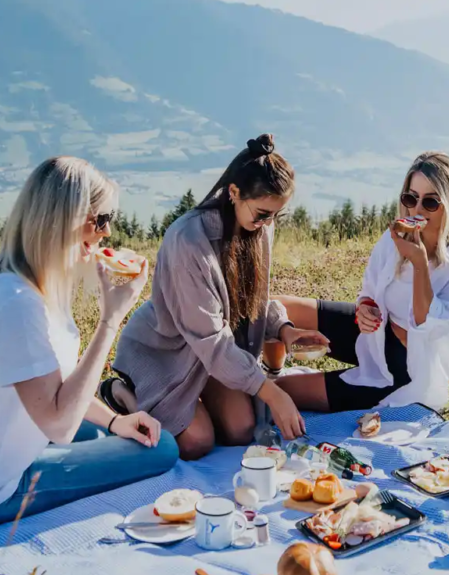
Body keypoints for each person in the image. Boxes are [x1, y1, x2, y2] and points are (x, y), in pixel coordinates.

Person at [0, 156, 177, 525]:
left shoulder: (20, 282)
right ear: (67, 219)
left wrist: (113, 422)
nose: (106, 233)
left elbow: (55, 385)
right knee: (163, 449)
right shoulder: (19, 305)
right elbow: (59, 426)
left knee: (125, 433)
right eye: (101, 219)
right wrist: (110, 320)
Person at [102, 134, 329, 460]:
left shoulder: (259, 228)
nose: (267, 224)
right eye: (263, 213)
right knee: (197, 442)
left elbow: (252, 302)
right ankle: (123, 393)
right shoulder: (187, 240)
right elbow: (209, 338)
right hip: (170, 352)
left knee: (240, 430)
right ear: (234, 193)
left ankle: (198, 402)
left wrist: (285, 330)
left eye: (276, 216)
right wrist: (273, 394)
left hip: (211, 356)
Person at [270, 151, 449, 412]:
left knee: (279, 393)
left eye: (431, 203)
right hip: (375, 334)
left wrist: (420, 264)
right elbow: (370, 287)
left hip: (409, 369)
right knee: (276, 306)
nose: (417, 209)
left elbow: (430, 328)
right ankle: (270, 366)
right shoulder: (398, 234)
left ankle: (270, 385)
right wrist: (365, 306)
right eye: (411, 198)